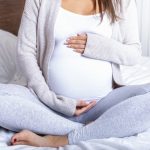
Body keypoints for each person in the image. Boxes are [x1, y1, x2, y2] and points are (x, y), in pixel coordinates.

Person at [0, 0, 150, 148]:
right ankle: (97, 128)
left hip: (104, 104)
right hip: (49, 105)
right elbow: (25, 52)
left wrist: (97, 45)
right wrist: (51, 99)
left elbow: (133, 54)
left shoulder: (121, 2)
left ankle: (58, 139)